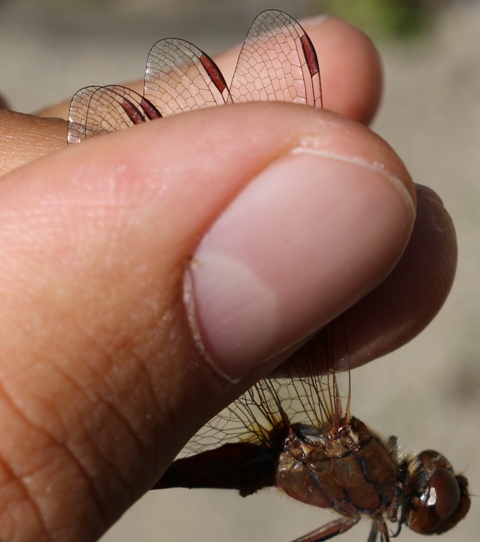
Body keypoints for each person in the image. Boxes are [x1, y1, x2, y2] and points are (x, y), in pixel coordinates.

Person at [0, 15, 456, 542]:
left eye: (432, 494)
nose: (427, 475)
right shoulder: (363, 485)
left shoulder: (365, 501)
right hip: (286, 449)